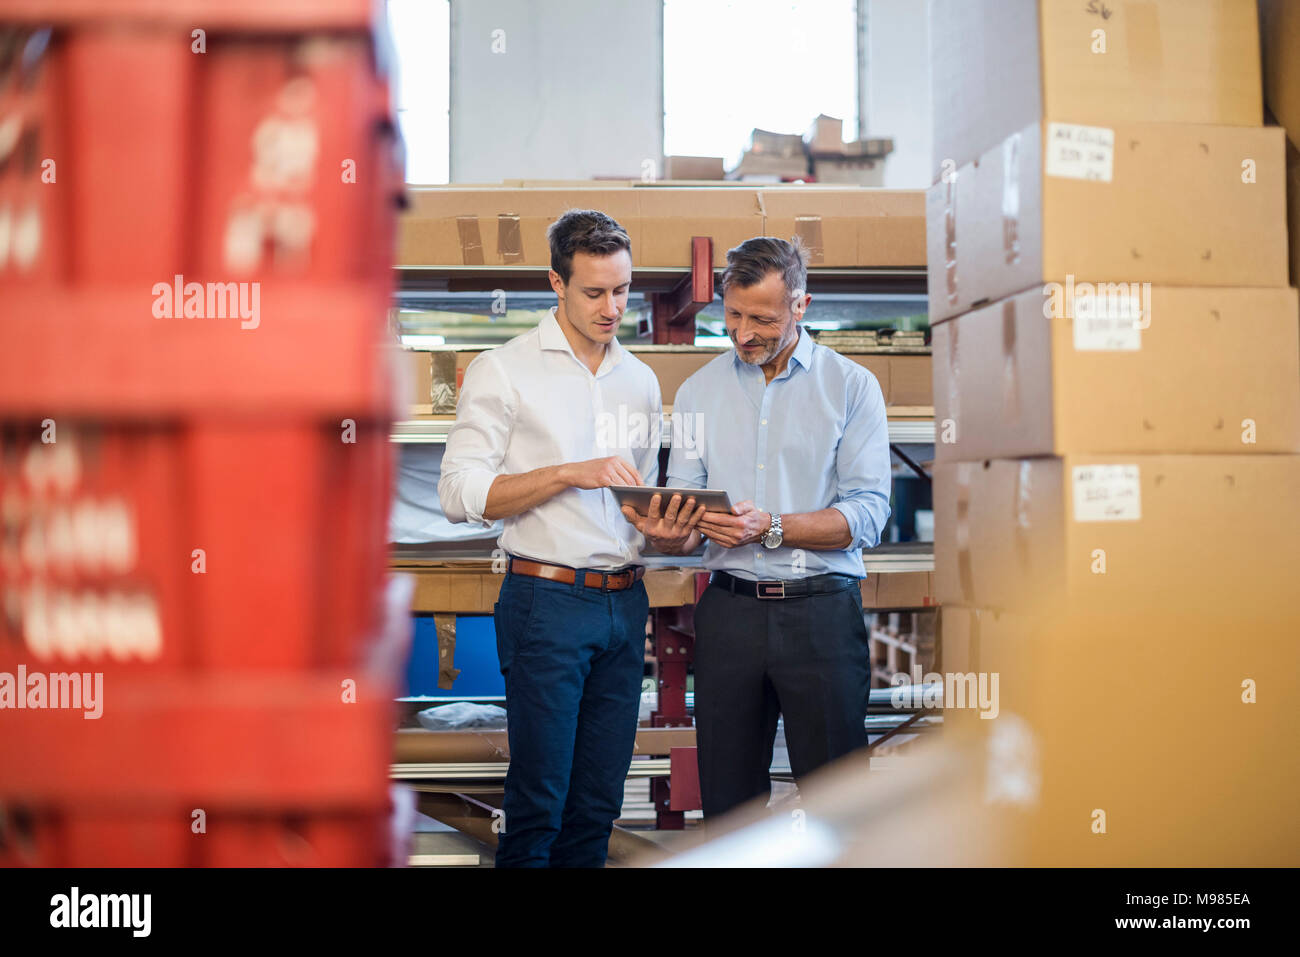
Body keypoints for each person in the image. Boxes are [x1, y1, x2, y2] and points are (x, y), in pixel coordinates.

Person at [621, 236, 891, 819]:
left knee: (837, 803)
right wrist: (670, 534)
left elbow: (867, 513)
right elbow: (690, 517)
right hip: (730, 616)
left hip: (820, 614)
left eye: (762, 319)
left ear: (801, 305)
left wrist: (772, 528)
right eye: (734, 314)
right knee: (729, 801)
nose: (743, 333)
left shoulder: (851, 387)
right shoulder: (697, 392)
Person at [438, 209, 661, 866]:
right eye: (594, 292)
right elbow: (458, 493)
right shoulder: (503, 370)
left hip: (625, 603)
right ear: (555, 284)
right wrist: (568, 472)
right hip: (546, 602)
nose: (611, 307)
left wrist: (668, 526)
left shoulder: (640, 381)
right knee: (539, 803)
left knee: (596, 805)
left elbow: (636, 503)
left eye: (622, 290)